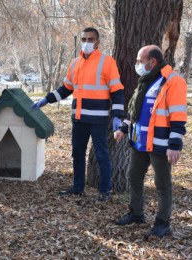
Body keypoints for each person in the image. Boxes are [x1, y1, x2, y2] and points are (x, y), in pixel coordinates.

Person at [32, 27, 124, 202]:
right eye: (84, 39)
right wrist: (46, 99)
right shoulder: (75, 63)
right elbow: (66, 88)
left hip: (98, 119)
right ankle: (78, 187)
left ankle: (105, 191)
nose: (86, 43)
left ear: (97, 42)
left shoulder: (107, 62)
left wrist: (118, 115)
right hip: (79, 118)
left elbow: (117, 90)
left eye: (90, 39)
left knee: (102, 155)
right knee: (77, 153)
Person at [114, 45, 187, 239]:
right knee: (134, 177)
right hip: (140, 142)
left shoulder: (173, 81)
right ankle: (136, 213)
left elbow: (178, 116)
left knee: (162, 184)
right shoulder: (145, 81)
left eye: (140, 60)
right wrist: (123, 128)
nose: (137, 64)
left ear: (152, 61)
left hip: (161, 144)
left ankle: (163, 224)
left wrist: (174, 145)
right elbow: (135, 111)